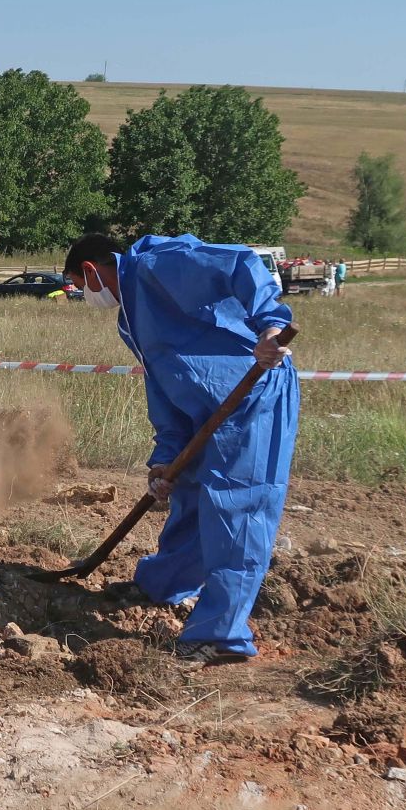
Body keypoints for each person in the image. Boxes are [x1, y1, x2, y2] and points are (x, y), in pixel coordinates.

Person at [64, 232, 299, 667]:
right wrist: (165, 456)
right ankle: (163, 584)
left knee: (237, 510)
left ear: (92, 272)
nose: (84, 295)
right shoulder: (130, 317)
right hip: (203, 412)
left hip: (250, 398)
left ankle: (221, 635)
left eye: (79, 286)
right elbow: (166, 383)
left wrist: (269, 324)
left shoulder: (157, 266)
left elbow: (239, 262)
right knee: (189, 499)